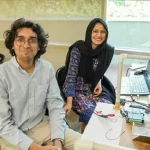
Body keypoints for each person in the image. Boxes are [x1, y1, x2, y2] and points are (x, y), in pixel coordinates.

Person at [0, 18, 81, 150]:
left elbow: (55, 106)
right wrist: (36, 148)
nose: (26, 45)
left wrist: (58, 142)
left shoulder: (46, 68)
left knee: (85, 144)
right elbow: (3, 124)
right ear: (12, 44)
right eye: (20, 39)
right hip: (11, 134)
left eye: (32, 40)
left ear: (39, 46)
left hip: (41, 125)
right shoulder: (2, 74)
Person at [63, 18, 115, 133]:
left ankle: (103, 140)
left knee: (109, 111)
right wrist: (69, 102)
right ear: (89, 32)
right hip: (77, 90)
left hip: (93, 88)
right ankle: (86, 141)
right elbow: (71, 77)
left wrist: (99, 82)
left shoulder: (106, 50)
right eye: (95, 31)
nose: (99, 35)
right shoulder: (78, 49)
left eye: (103, 32)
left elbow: (99, 71)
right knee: (91, 114)